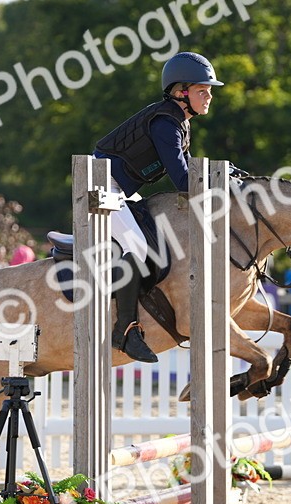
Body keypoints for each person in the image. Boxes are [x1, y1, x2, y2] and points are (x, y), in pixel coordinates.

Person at [92, 51, 223, 362]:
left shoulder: (177, 121)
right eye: (202, 90)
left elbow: (189, 169)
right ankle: (125, 330)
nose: (209, 97)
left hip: (121, 190)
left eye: (209, 91)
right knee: (137, 247)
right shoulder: (165, 123)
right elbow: (182, 179)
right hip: (100, 188)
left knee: (156, 247)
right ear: (181, 92)